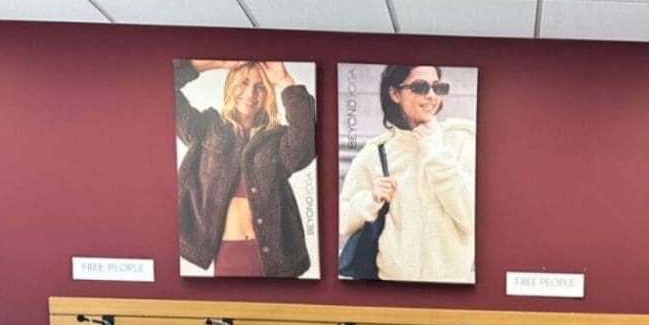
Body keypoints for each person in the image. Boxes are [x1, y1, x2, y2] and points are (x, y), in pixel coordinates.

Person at [175, 59, 316, 278]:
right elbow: (163, 86)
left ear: (268, 94)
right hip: (226, 257)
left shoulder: (277, 139)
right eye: (244, 82)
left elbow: (306, 144)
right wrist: (216, 63)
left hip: (274, 263)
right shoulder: (204, 128)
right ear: (231, 84)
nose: (251, 93)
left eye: (260, 87)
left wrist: (284, 81)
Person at [339, 65, 475, 283]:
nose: (431, 96)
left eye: (437, 87)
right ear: (394, 94)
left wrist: (435, 152)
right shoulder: (376, 152)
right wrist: (371, 200)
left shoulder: (461, 140)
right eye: (420, 87)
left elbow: (473, 217)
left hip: (452, 289)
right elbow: (344, 220)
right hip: (391, 288)